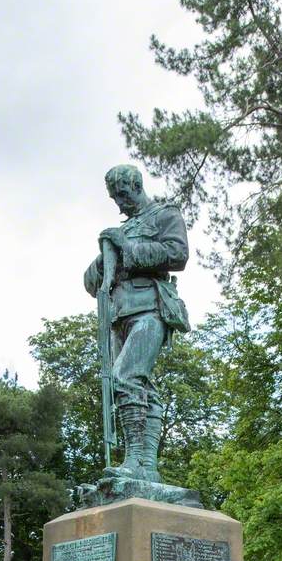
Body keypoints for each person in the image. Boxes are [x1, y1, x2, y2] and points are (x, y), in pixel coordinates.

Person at [83, 164, 190, 486]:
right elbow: (91, 284)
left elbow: (178, 254)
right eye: (115, 197)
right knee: (143, 389)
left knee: (125, 378)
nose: (120, 202)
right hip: (119, 315)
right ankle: (147, 468)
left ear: (137, 185)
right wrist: (102, 261)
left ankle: (133, 460)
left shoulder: (164, 215)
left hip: (151, 309)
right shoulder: (123, 228)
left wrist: (128, 248)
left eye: (124, 194)